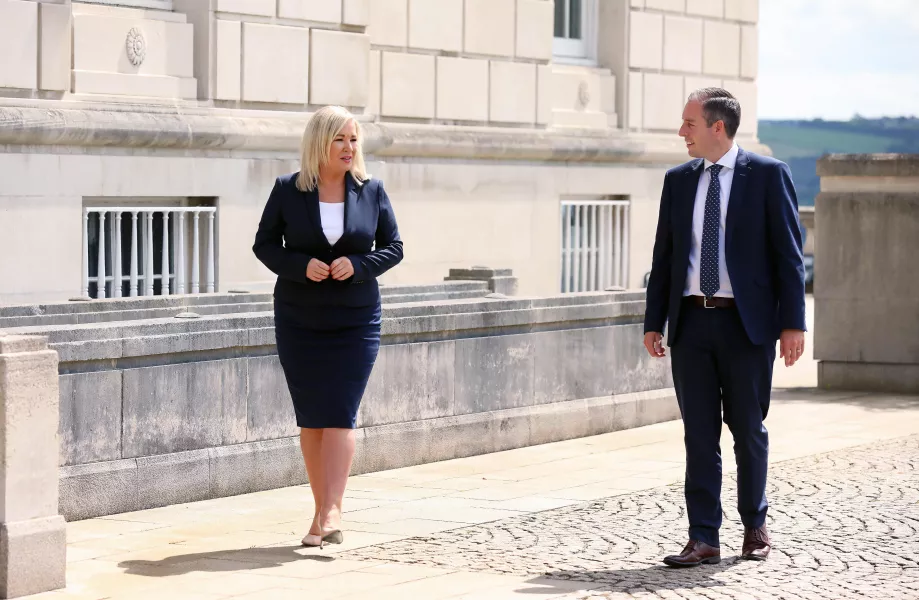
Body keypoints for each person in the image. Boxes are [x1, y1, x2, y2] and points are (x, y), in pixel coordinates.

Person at [643, 88, 806, 567]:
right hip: (691, 323)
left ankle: (755, 526)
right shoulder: (678, 181)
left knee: (748, 430)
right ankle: (703, 537)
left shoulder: (768, 176)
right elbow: (665, 256)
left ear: (718, 127)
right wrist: (655, 322)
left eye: (689, 123)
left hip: (746, 326)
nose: (681, 133)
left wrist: (792, 324)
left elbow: (789, 258)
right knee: (699, 433)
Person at [252, 105, 403, 548]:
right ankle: (321, 517)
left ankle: (333, 509)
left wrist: (357, 265)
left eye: (353, 139)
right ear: (320, 142)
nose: (349, 147)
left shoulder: (371, 191)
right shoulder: (287, 190)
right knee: (313, 419)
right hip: (300, 318)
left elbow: (393, 248)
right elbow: (264, 245)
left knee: (340, 411)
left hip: (356, 320)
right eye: (340, 139)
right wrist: (302, 266)